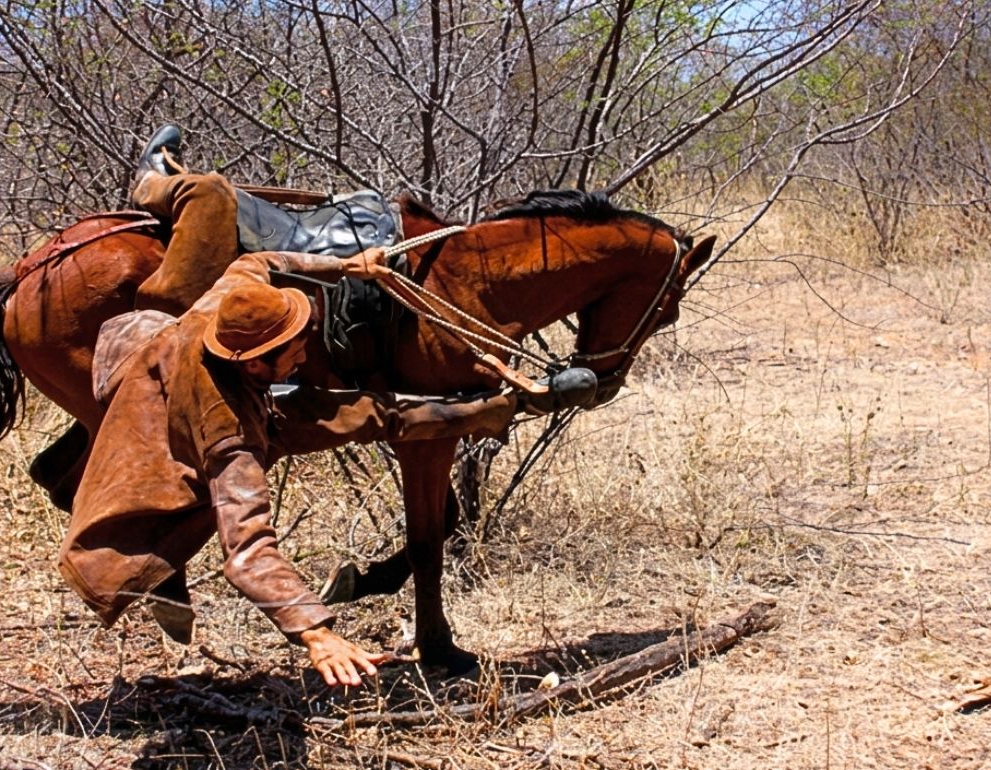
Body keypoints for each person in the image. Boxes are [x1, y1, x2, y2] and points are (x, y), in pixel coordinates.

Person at [58, 126, 598, 687]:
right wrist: (316, 632)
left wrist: (348, 267)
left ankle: (509, 404)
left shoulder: (233, 296)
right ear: (257, 365)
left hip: (188, 358)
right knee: (332, 424)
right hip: (177, 408)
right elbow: (247, 551)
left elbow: (264, 259)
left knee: (375, 413)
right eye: (295, 351)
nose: (304, 353)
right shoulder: (229, 431)